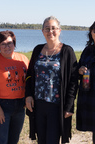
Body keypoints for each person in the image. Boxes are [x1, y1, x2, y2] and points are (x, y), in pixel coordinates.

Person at [25, 16, 78, 144]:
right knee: (41, 140)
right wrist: (28, 96)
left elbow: (73, 80)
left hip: (57, 105)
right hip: (38, 104)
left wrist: (70, 105)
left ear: (59, 30)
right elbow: (30, 75)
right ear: (42, 31)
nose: (50, 32)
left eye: (53, 28)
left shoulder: (67, 51)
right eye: (47, 29)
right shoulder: (38, 49)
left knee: (52, 140)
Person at [0, 30, 29, 144]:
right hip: (3, 104)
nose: (7, 46)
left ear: (14, 43)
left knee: (14, 139)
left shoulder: (22, 59)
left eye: (10, 43)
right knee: (1, 139)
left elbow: (29, 81)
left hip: (20, 104)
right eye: (3, 44)